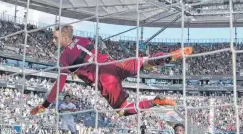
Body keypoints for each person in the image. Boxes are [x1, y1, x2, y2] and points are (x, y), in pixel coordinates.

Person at [30, 25, 192, 116]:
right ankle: (169, 56)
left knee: (122, 110)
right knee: (145, 62)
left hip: (104, 78)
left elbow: (59, 85)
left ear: (65, 38)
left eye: (56, 37)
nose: (53, 40)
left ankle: (155, 101)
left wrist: (44, 105)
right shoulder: (83, 39)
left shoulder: (64, 57)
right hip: (114, 63)